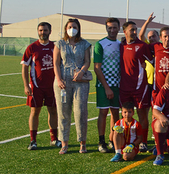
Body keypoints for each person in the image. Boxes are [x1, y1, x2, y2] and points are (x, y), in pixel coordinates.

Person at [53, 18, 92, 154]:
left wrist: (81, 72)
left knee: (81, 111)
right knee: (63, 112)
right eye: (70, 26)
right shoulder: (59, 44)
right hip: (63, 81)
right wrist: (58, 79)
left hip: (80, 82)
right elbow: (56, 63)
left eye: (74, 26)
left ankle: (82, 142)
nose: (72, 29)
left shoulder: (85, 44)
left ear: (78, 28)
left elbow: (87, 61)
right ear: (65, 28)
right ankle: (64, 143)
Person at [21, 22, 59, 149]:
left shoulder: (55, 46)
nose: (43, 32)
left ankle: (54, 139)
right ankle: (33, 141)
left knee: (53, 111)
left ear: (50, 31)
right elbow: (24, 67)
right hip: (36, 87)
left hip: (52, 86)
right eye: (41, 30)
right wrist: (26, 85)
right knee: (34, 111)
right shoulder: (32, 47)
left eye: (45, 30)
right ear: (38, 31)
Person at [119, 20, 152, 152]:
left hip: (140, 87)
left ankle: (143, 141)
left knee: (142, 115)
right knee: (125, 116)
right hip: (124, 87)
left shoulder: (142, 46)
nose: (134, 32)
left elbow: (154, 61)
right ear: (125, 31)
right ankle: (124, 140)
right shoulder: (120, 46)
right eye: (131, 30)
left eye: (135, 29)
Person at [93, 17, 121, 153]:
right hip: (104, 85)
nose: (112, 30)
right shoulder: (100, 44)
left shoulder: (120, 44)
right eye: (109, 28)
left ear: (118, 28)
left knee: (116, 113)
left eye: (114, 27)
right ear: (106, 29)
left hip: (118, 84)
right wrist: (107, 87)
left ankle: (113, 139)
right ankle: (101, 141)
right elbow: (97, 68)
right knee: (103, 112)